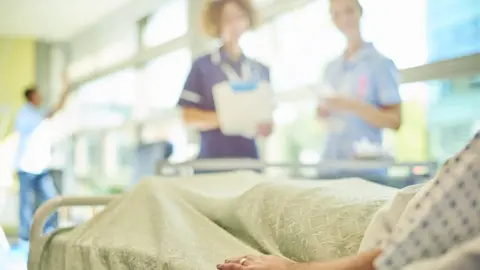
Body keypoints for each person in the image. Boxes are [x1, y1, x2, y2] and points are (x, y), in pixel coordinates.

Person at [217, 131, 480, 270]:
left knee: (265, 196)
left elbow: (392, 259)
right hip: (375, 200)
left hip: (363, 219)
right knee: (263, 193)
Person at [177, 0, 272, 160]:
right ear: (216, 23)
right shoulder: (203, 66)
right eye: (227, 19)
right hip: (213, 158)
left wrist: (265, 127)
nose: (235, 24)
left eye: (240, 17)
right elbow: (188, 117)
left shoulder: (260, 70)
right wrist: (227, 119)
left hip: (250, 159)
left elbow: (267, 119)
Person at [317, 0, 402, 177]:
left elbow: (394, 120)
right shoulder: (330, 68)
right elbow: (321, 115)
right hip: (329, 167)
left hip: (364, 171)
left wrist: (352, 105)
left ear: (360, 12)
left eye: (348, 11)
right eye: (337, 14)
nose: (344, 18)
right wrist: (322, 112)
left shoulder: (380, 64)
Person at [13, 77, 69, 254]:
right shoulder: (25, 114)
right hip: (26, 167)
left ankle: (51, 232)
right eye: (38, 94)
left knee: (51, 199)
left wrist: (65, 90)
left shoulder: (38, 113)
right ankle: (24, 239)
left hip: (41, 167)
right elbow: (47, 115)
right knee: (26, 204)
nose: (41, 97)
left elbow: (56, 109)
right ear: (31, 96)